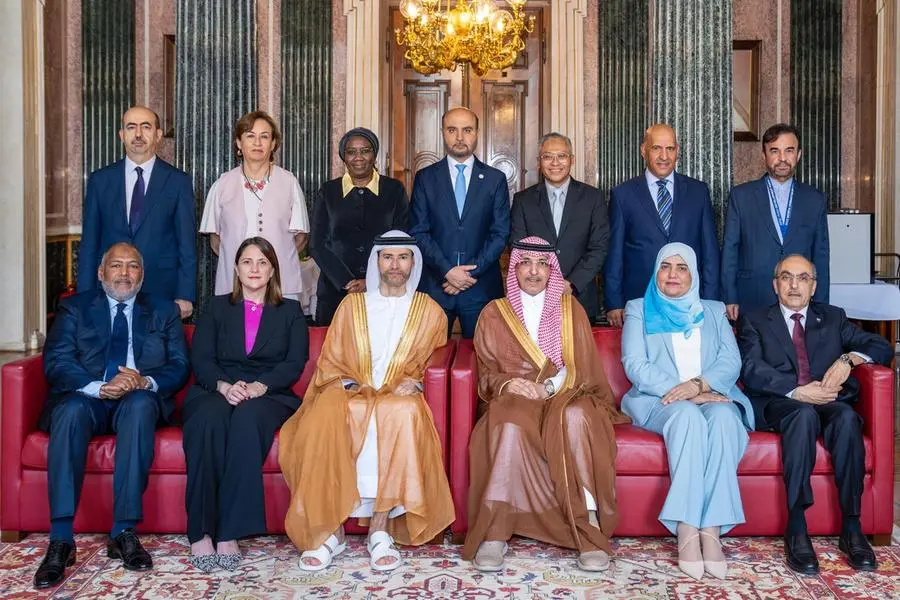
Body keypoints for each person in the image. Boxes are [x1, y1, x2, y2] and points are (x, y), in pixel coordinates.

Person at [279, 231, 454, 572]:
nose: (395, 265)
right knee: (331, 414)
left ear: (414, 263)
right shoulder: (352, 306)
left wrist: (416, 383)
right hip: (352, 392)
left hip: (400, 397)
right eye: (387, 257)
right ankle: (331, 530)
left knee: (399, 412)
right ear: (377, 262)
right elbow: (331, 361)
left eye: (402, 257)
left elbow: (431, 364)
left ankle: (379, 529)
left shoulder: (431, 311)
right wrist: (351, 384)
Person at [463, 236, 629, 573]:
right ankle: (496, 529)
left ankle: (588, 524)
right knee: (507, 422)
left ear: (552, 270)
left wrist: (550, 386)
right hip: (517, 396)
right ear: (514, 269)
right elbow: (486, 372)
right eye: (525, 263)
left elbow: (580, 365)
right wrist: (509, 382)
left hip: (566, 393)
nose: (534, 272)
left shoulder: (571, 309)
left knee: (577, 417)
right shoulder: (494, 313)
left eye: (542, 264)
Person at [34, 243, 189, 589]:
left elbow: (179, 365)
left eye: (132, 266)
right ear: (101, 272)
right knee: (69, 411)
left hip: (137, 397)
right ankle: (61, 539)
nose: (124, 273)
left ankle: (123, 531)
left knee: (140, 406)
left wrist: (144, 381)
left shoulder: (163, 310)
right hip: (87, 397)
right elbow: (57, 361)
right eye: (116, 265)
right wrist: (99, 387)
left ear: (142, 274)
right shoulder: (74, 308)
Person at [737, 254, 892, 574]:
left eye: (803, 278)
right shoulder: (755, 319)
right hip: (781, 402)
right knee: (802, 416)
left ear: (814, 286)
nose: (794, 285)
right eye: (787, 277)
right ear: (775, 284)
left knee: (847, 419)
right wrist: (796, 390)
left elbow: (881, 346)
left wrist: (849, 360)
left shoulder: (833, 317)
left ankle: (852, 527)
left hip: (828, 399)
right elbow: (751, 369)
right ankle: (796, 527)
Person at [620, 243, 754, 581]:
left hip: (711, 396)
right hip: (660, 401)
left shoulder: (714, 310)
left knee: (725, 419)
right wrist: (682, 393)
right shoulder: (638, 308)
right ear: (656, 272)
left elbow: (730, 360)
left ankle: (712, 528)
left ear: (693, 274)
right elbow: (635, 364)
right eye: (665, 266)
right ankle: (687, 526)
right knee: (687, 416)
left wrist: (698, 386)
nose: (673, 274)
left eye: (682, 268)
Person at [181, 237, 308, 572]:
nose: (254, 269)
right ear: (236, 269)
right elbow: (202, 358)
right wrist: (224, 387)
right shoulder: (216, 308)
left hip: (269, 393)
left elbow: (295, 362)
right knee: (208, 419)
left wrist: (258, 386)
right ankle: (200, 531)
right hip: (217, 387)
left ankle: (229, 531)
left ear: (272, 271)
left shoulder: (291, 311)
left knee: (247, 419)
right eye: (247, 262)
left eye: (262, 262)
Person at [77, 106, 197, 319]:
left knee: (157, 341)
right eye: (131, 127)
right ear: (122, 135)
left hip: (161, 289)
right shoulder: (100, 181)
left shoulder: (178, 182)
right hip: (109, 290)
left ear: (158, 135)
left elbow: (186, 243)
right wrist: (85, 295)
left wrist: (185, 294)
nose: (138, 134)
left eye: (146, 127)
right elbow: (89, 243)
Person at [604, 124, 720, 328]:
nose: (664, 156)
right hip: (639, 300)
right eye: (656, 148)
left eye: (670, 149)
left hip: (689, 303)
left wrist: (709, 299)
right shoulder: (623, 194)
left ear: (678, 151)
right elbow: (614, 253)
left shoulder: (698, 192)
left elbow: (709, 251)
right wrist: (614, 302)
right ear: (644, 150)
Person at [409, 107, 510, 338]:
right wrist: (447, 271)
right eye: (452, 130)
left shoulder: (495, 179)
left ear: (477, 133)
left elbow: (500, 233)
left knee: (483, 358)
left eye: (467, 130)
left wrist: (467, 275)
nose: (460, 137)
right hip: (435, 288)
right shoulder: (425, 178)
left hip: (481, 289)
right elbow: (418, 232)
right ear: (443, 132)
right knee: (430, 358)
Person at [722, 124, 830, 320]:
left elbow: (821, 255)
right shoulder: (741, 196)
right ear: (764, 156)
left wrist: (821, 305)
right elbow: (730, 250)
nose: (782, 158)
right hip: (753, 296)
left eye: (789, 150)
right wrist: (729, 297)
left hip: (799, 300)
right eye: (774, 151)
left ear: (798, 155)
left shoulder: (815, 199)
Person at [200, 110, 310, 301]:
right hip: (233, 285)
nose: (257, 143)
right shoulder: (222, 184)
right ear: (239, 143)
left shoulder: (289, 182)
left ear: (273, 144)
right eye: (250, 136)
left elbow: (300, 238)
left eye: (264, 136)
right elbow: (216, 241)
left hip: (281, 286)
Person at [309, 127, 409, 325]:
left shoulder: (394, 190)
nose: (358, 157)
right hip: (335, 291)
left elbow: (401, 240)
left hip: (384, 289)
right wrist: (346, 281)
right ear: (344, 157)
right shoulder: (328, 191)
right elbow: (317, 244)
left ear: (374, 155)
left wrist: (372, 280)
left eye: (365, 151)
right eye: (351, 152)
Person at [510, 132, 609, 322]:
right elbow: (519, 248)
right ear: (539, 162)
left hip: (580, 297)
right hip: (534, 298)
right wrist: (545, 284)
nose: (555, 163)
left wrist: (572, 283)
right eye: (548, 156)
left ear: (572, 159)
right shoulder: (523, 200)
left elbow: (599, 247)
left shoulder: (593, 198)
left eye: (561, 156)